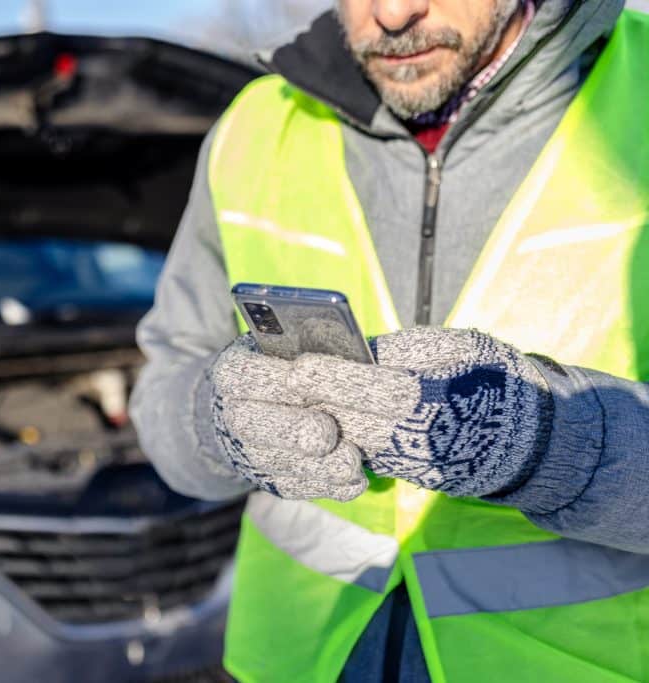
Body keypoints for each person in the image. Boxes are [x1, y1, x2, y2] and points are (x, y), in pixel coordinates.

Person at [129, 0, 649, 681]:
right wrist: (214, 420)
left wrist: (550, 444)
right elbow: (163, 388)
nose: (394, 13)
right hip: (294, 659)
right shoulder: (254, 126)